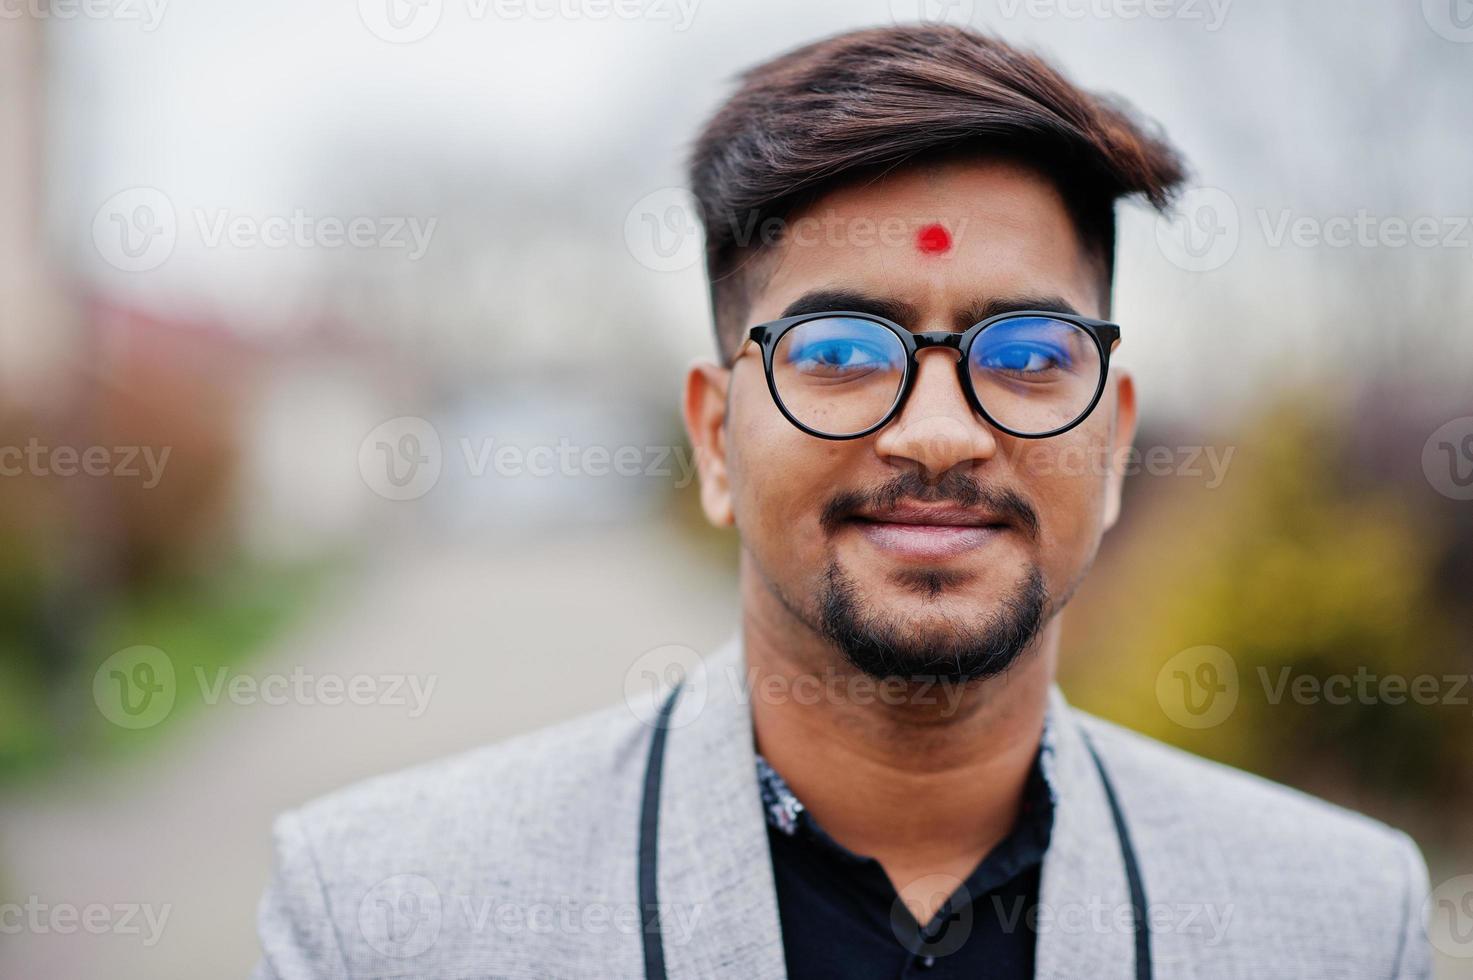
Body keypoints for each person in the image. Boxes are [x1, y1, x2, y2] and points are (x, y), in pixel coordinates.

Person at [253, 24, 1431, 979]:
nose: (937, 431)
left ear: (1114, 439)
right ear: (717, 437)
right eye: (840, 348)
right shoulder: (385, 914)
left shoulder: (1336, 919)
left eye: (1025, 352)